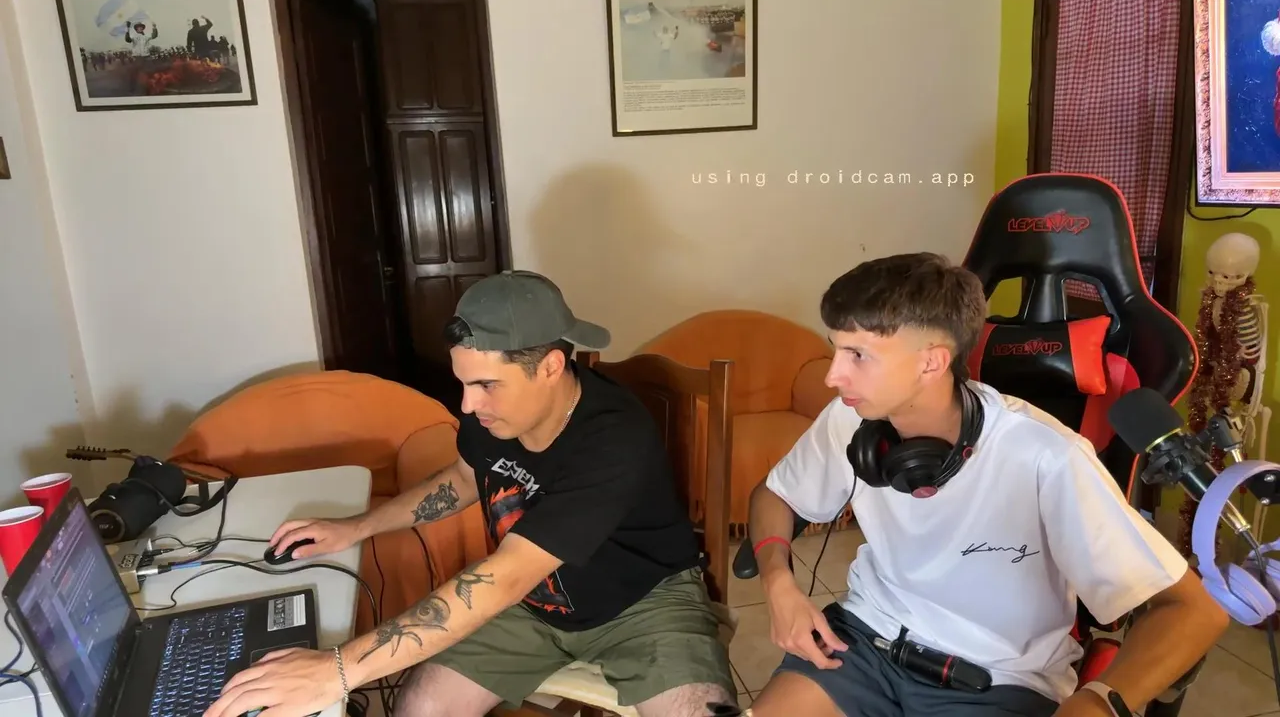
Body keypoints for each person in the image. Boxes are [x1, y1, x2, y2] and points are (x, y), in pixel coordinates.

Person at [202, 270, 736, 717]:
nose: (466, 405)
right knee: (420, 707)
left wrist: (337, 671)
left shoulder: (614, 439)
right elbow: (463, 479)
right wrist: (357, 527)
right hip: (537, 606)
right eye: (463, 382)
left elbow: (504, 577)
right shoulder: (494, 417)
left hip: (643, 604)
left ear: (550, 367)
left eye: (485, 385)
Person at [743, 253, 1228, 717]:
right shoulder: (850, 419)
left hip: (995, 681)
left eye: (857, 355)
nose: (833, 376)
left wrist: (1097, 701)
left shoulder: (1048, 456)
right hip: (864, 645)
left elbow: (1194, 611)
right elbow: (775, 494)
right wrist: (778, 582)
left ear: (931, 362)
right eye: (836, 348)